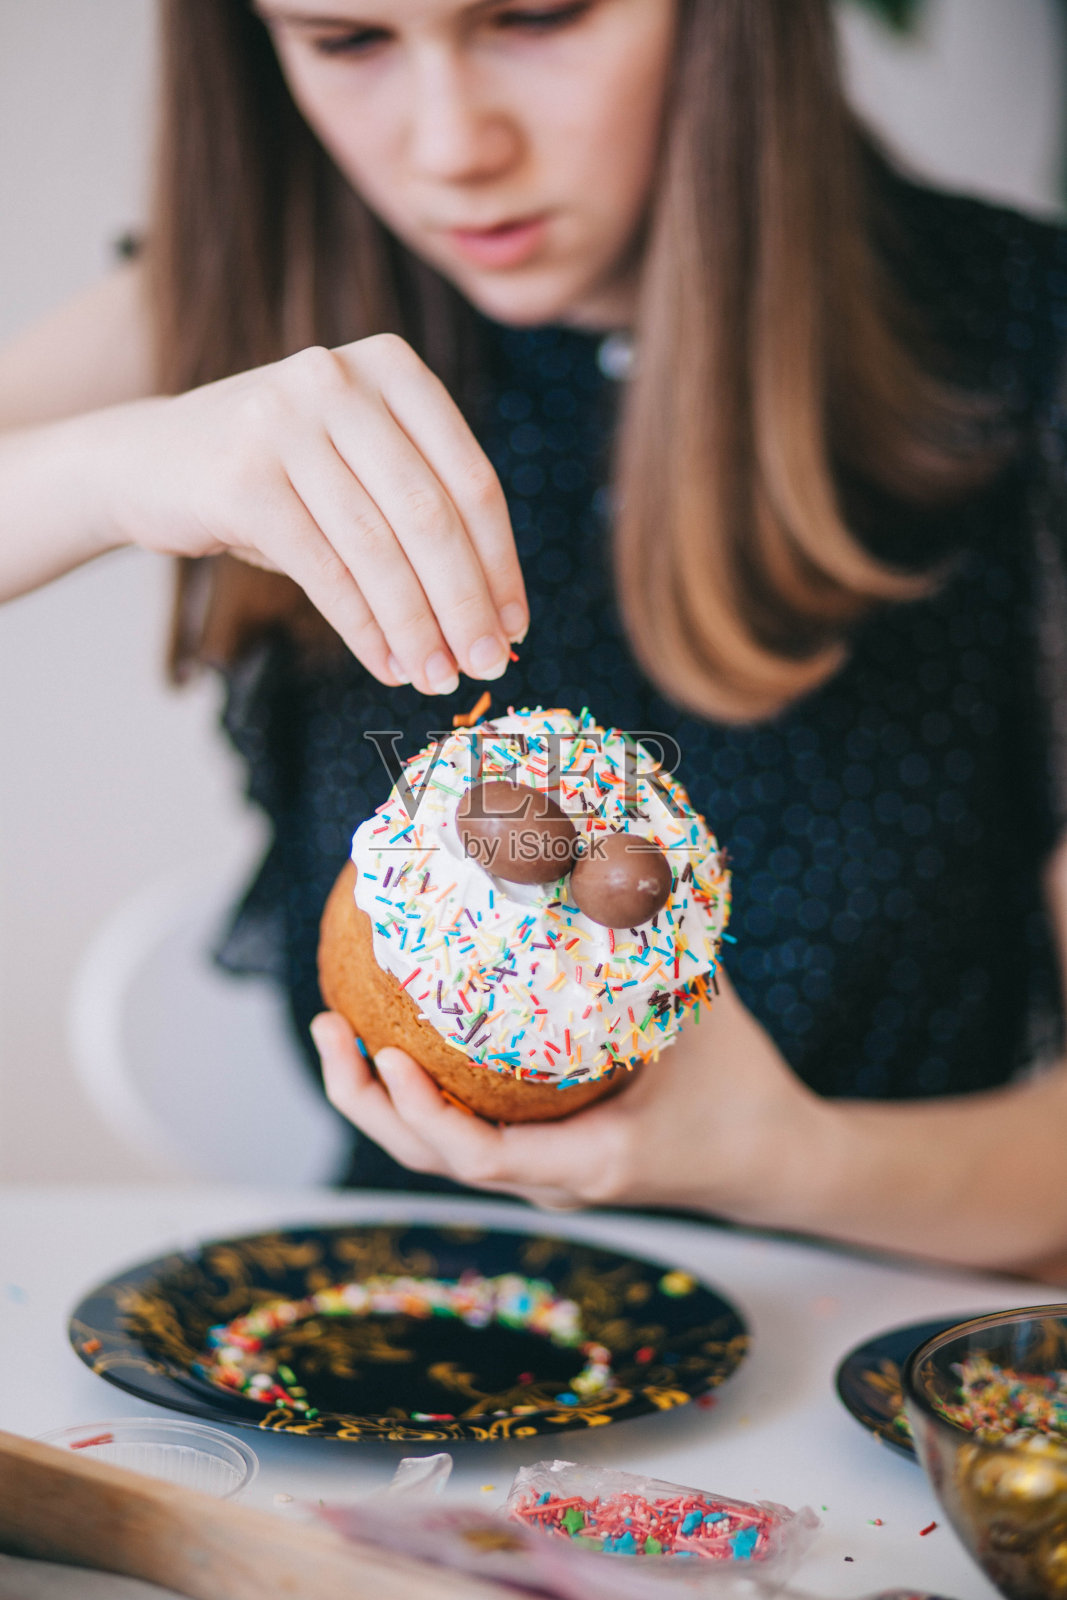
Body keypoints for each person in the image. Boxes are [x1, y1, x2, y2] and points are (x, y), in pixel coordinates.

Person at [4, 0, 1067, 1276]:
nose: (452, 146)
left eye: (537, 18)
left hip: (862, 1341)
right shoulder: (257, 292)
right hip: (406, 1341)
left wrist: (780, 1157)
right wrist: (94, 473)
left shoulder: (1019, 343)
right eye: (347, 41)